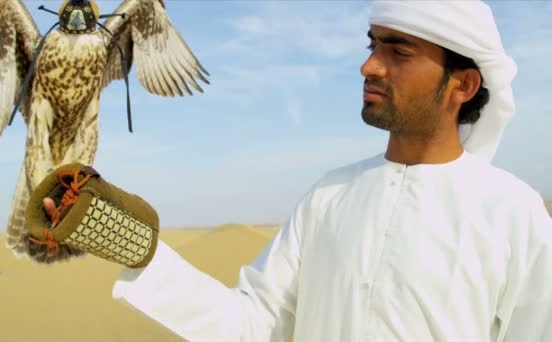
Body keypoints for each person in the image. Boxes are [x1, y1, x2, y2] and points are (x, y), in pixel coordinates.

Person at [103, 1, 552, 341]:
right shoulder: (329, 195)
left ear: (463, 85)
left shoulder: (513, 213)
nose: (370, 65)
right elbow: (255, 324)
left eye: (399, 51)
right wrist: (140, 250)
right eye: (373, 44)